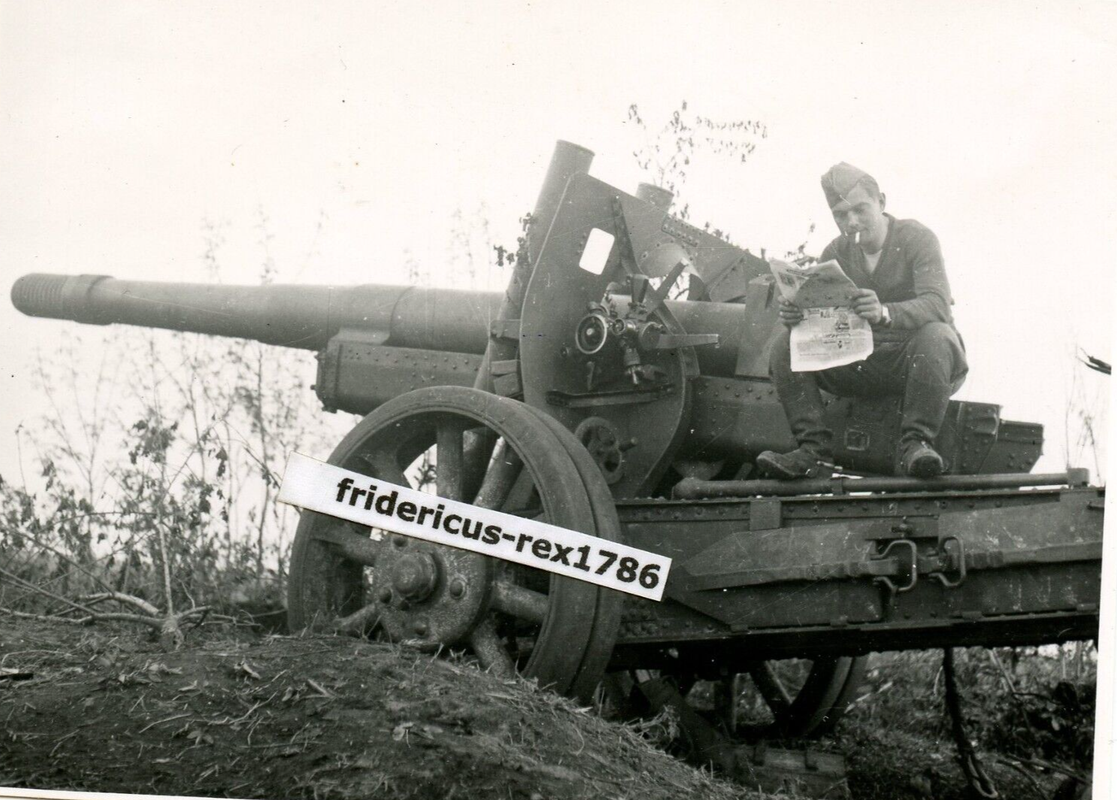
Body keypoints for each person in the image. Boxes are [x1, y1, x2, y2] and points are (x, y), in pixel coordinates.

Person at [756, 162, 968, 479]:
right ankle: (813, 451)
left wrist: (885, 312)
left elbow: (938, 305)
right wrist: (797, 317)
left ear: (881, 201)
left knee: (937, 335)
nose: (851, 221)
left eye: (860, 209)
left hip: (913, 362)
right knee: (785, 346)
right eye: (841, 215)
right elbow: (821, 321)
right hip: (857, 360)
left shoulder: (917, 238)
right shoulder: (835, 251)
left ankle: (916, 445)